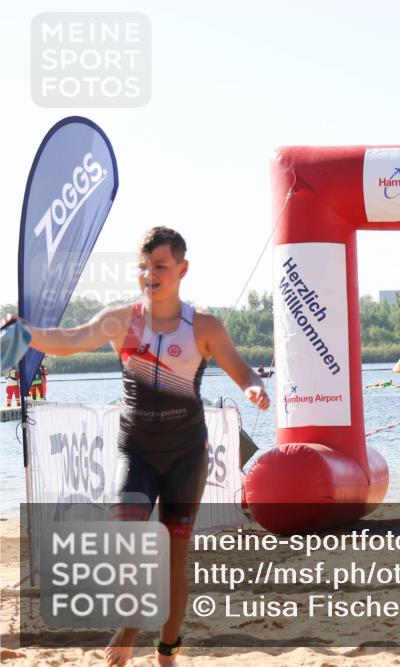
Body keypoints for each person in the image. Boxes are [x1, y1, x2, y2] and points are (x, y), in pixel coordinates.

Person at [4, 227, 270, 666]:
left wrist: (255, 388)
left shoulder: (202, 326)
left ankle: (166, 652)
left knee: (173, 558)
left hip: (186, 456)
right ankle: (129, 629)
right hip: (138, 452)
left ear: (181, 269)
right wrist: (29, 333)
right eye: (143, 267)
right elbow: (69, 341)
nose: (150, 275)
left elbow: (243, 371)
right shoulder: (121, 321)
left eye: (160, 266)